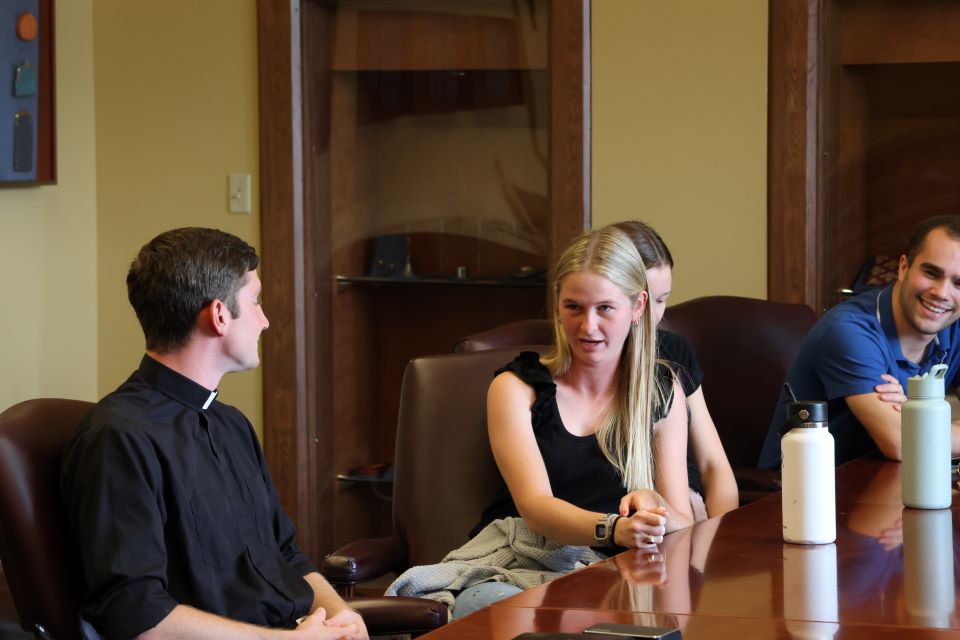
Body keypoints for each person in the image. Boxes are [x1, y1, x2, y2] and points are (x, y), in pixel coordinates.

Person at [61, 228, 367, 640]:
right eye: (256, 302)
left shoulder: (232, 424)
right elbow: (135, 614)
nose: (265, 320)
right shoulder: (119, 438)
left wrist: (343, 615)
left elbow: (285, 553)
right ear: (219, 316)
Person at [476, 225, 696, 551]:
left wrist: (656, 505)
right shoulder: (515, 389)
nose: (588, 326)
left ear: (637, 307)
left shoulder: (662, 391)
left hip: (613, 568)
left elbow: (684, 521)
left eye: (605, 308)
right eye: (574, 307)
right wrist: (613, 529)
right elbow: (535, 508)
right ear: (557, 305)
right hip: (519, 556)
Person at [758, 215, 960, 469]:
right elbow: (900, 442)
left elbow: (912, 440)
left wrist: (913, 417)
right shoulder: (848, 330)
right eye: (931, 273)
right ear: (903, 267)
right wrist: (920, 427)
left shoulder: (954, 326)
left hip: (889, 483)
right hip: (802, 494)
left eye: (959, 283)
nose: (942, 293)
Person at [612, 220, 739, 518]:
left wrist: (722, 537)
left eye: (661, 300)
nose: (652, 315)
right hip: (626, 512)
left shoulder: (674, 351)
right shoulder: (594, 358)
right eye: (642, 299)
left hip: (686, 509)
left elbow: (713, 465)